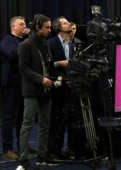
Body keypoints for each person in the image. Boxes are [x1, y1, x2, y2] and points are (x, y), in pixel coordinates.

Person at [16, 14, 56, 169]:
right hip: (32, 91)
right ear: (38, 27)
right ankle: (23, 161)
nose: (49, 30)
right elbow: (23, 69)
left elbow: (49, 66)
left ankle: (42, 157)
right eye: (46, 27)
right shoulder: (25, 45)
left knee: (45, 124)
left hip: (46, 91)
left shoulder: (45, 44)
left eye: (50, 27)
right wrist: (41, 79)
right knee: (27, 125)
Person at [0, 16, 30, 160]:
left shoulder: (22, 41)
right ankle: (7, 148)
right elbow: (12, 54)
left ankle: (22, 146)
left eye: (25, 24)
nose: (25, 26)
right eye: (21, 24)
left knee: (22, 119)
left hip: (23, 85)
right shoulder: (7, 40)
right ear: (13, 27)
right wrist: (27, 42)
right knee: (9, 118)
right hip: (11, 85)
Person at [47, 16, 75, 159]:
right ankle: (53, 150)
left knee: (69, 119)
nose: (68, 24)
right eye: (65, 23)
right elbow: (47, 64)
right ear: (58, 27)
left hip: (70, 86)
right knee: (56, 120)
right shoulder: (51, 43)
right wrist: (59, 63)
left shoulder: (71, 44)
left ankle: (66, 148)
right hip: (57, 85)